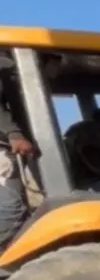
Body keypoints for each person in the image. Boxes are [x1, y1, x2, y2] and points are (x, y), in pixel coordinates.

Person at [0, 54, 60, 251]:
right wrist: (14, 134)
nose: (57, 72)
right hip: (5, 148)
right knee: (13, 208)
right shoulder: (8, 68)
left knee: (22, 207)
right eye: (57, 65)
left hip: (14, 146)